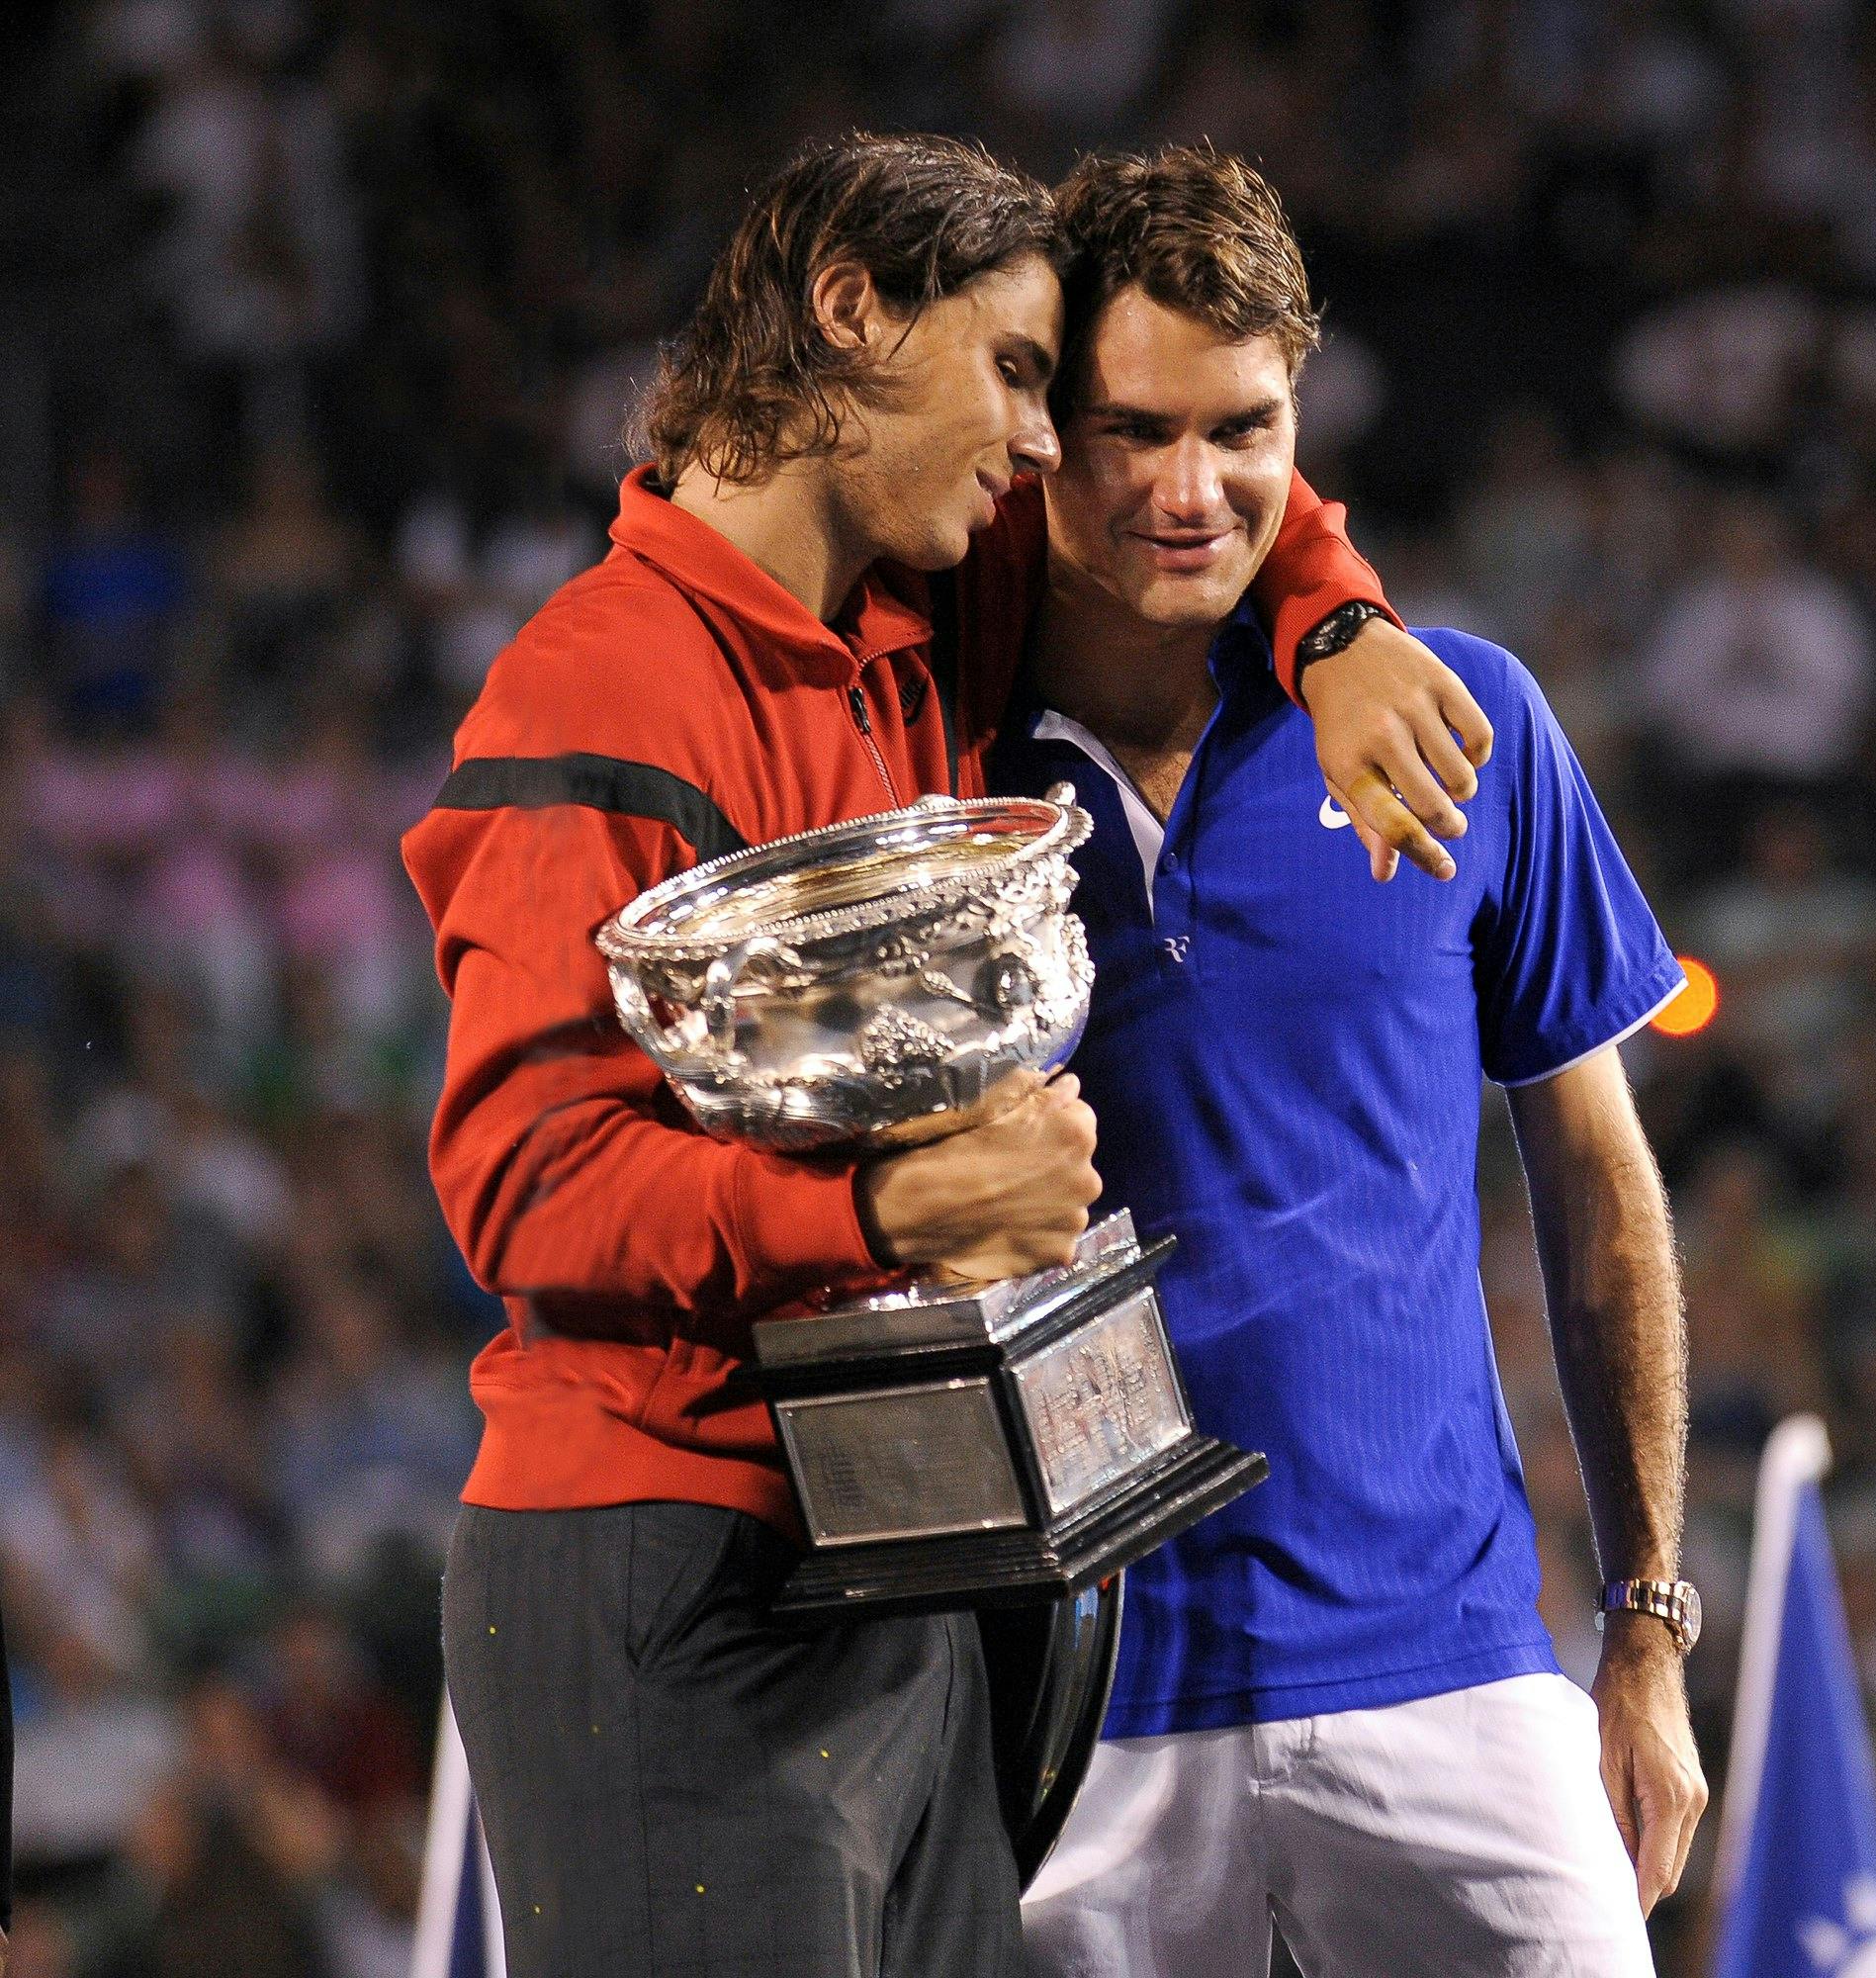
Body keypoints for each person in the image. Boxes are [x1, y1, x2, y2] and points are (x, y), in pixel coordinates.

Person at [402, 133, 1484, 1978]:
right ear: (849, 312)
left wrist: (1342, 626)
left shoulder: (917, 615)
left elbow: (1215, 476)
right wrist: (895, 1206)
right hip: (670, 1562)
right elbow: (524, 1187)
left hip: (906, 1553)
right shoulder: (593, 686)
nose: (1050, 442)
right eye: (1009, 375)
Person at [977, 145, 1706, 1975]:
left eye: (1246, 427)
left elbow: (1601, 1181)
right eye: (1134, 427)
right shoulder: (916, 768)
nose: (1191, 487)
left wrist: (1645, 1625)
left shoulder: (1460, 725)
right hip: (1066, 1716)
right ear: (1044, 426)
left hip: (1452, 1675)